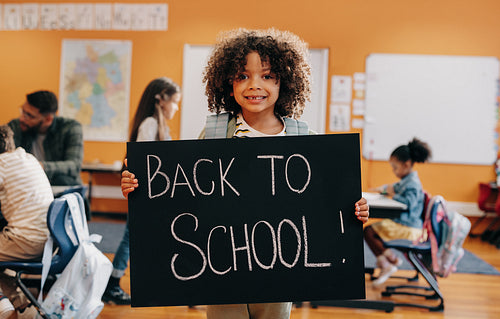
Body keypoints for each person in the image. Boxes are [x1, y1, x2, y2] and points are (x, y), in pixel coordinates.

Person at [121, 28, 369, 319]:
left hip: (281, 272)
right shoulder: (214, 135)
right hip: (223, 269)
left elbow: (328, 206)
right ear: (228, 83)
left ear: (284, 82)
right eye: (242, 76)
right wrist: (141, 188)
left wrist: (356, 210)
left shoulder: (305, 141)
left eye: (266, 76)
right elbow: (183, 195)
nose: (254, 85)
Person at [102, 77, 181, 305]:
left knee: (141, 237)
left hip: (154, 193)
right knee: (131, 237)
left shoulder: (157, 124)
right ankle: (114, 284)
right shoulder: (149, 124)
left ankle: (129, 282)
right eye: (175, 102)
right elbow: (147, 161)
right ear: (162, 99)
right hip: (146, 193)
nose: (176, 108)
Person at [0, 125, 54, 318]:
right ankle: (25, 309)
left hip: (25, 241)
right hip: (47, 241)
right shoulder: (28, 158)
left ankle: (18, 308)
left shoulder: (1, 164)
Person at [364, 137, 432, 287]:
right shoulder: (407, 180)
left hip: (408, 226)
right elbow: (394, 187)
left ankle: (389, 263)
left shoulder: (413, 183)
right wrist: (382, 190)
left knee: (369, 232)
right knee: (370, 232)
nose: (394, 171)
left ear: (406, 165)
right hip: (404, 223)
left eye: (395, 168)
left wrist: (392, 194)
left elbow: (408, 203)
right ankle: (390, 260)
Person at [8, 90, 83, 186]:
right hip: (29, 187)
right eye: (23, 111)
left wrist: (39, 166)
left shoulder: (70, 128)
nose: (22, 118)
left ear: (48, 119)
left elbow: (74, 166)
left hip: (60, 187)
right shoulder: (17, 126)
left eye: (29, 116)